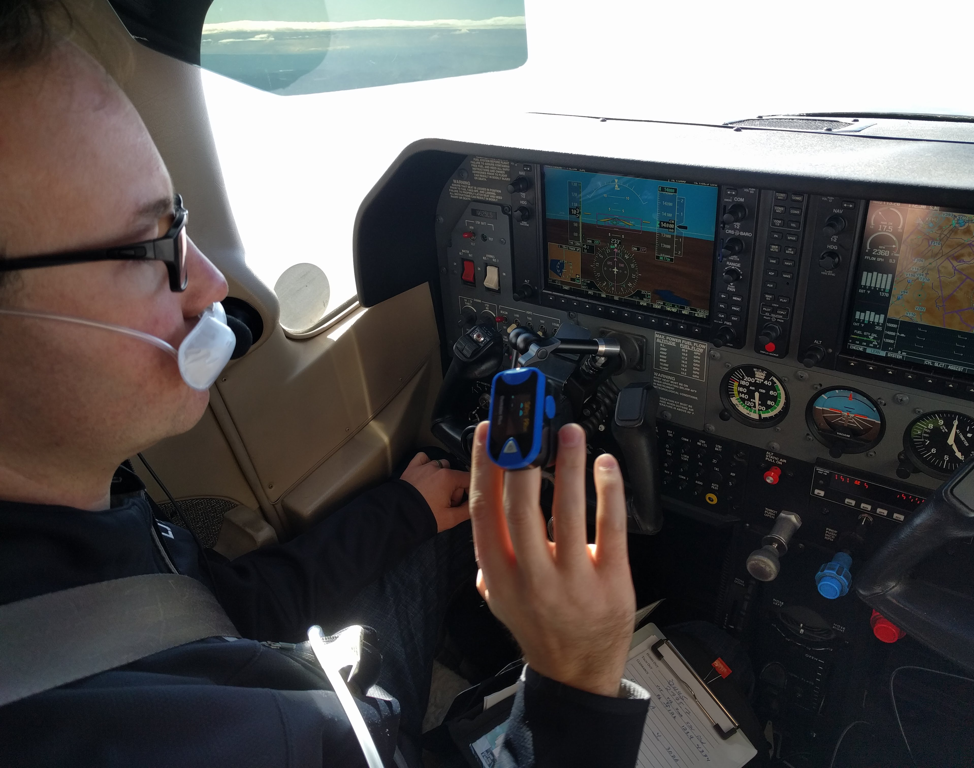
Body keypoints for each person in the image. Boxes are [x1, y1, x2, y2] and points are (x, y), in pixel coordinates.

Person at [0, 1, 650, 766]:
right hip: (343, 731)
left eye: (179, 220)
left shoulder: (70, 535)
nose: (212, 284)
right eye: (149, 247)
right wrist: (577, 679)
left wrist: (402, 511)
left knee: (428, 529)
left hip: (308, 691)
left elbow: (216, 607)